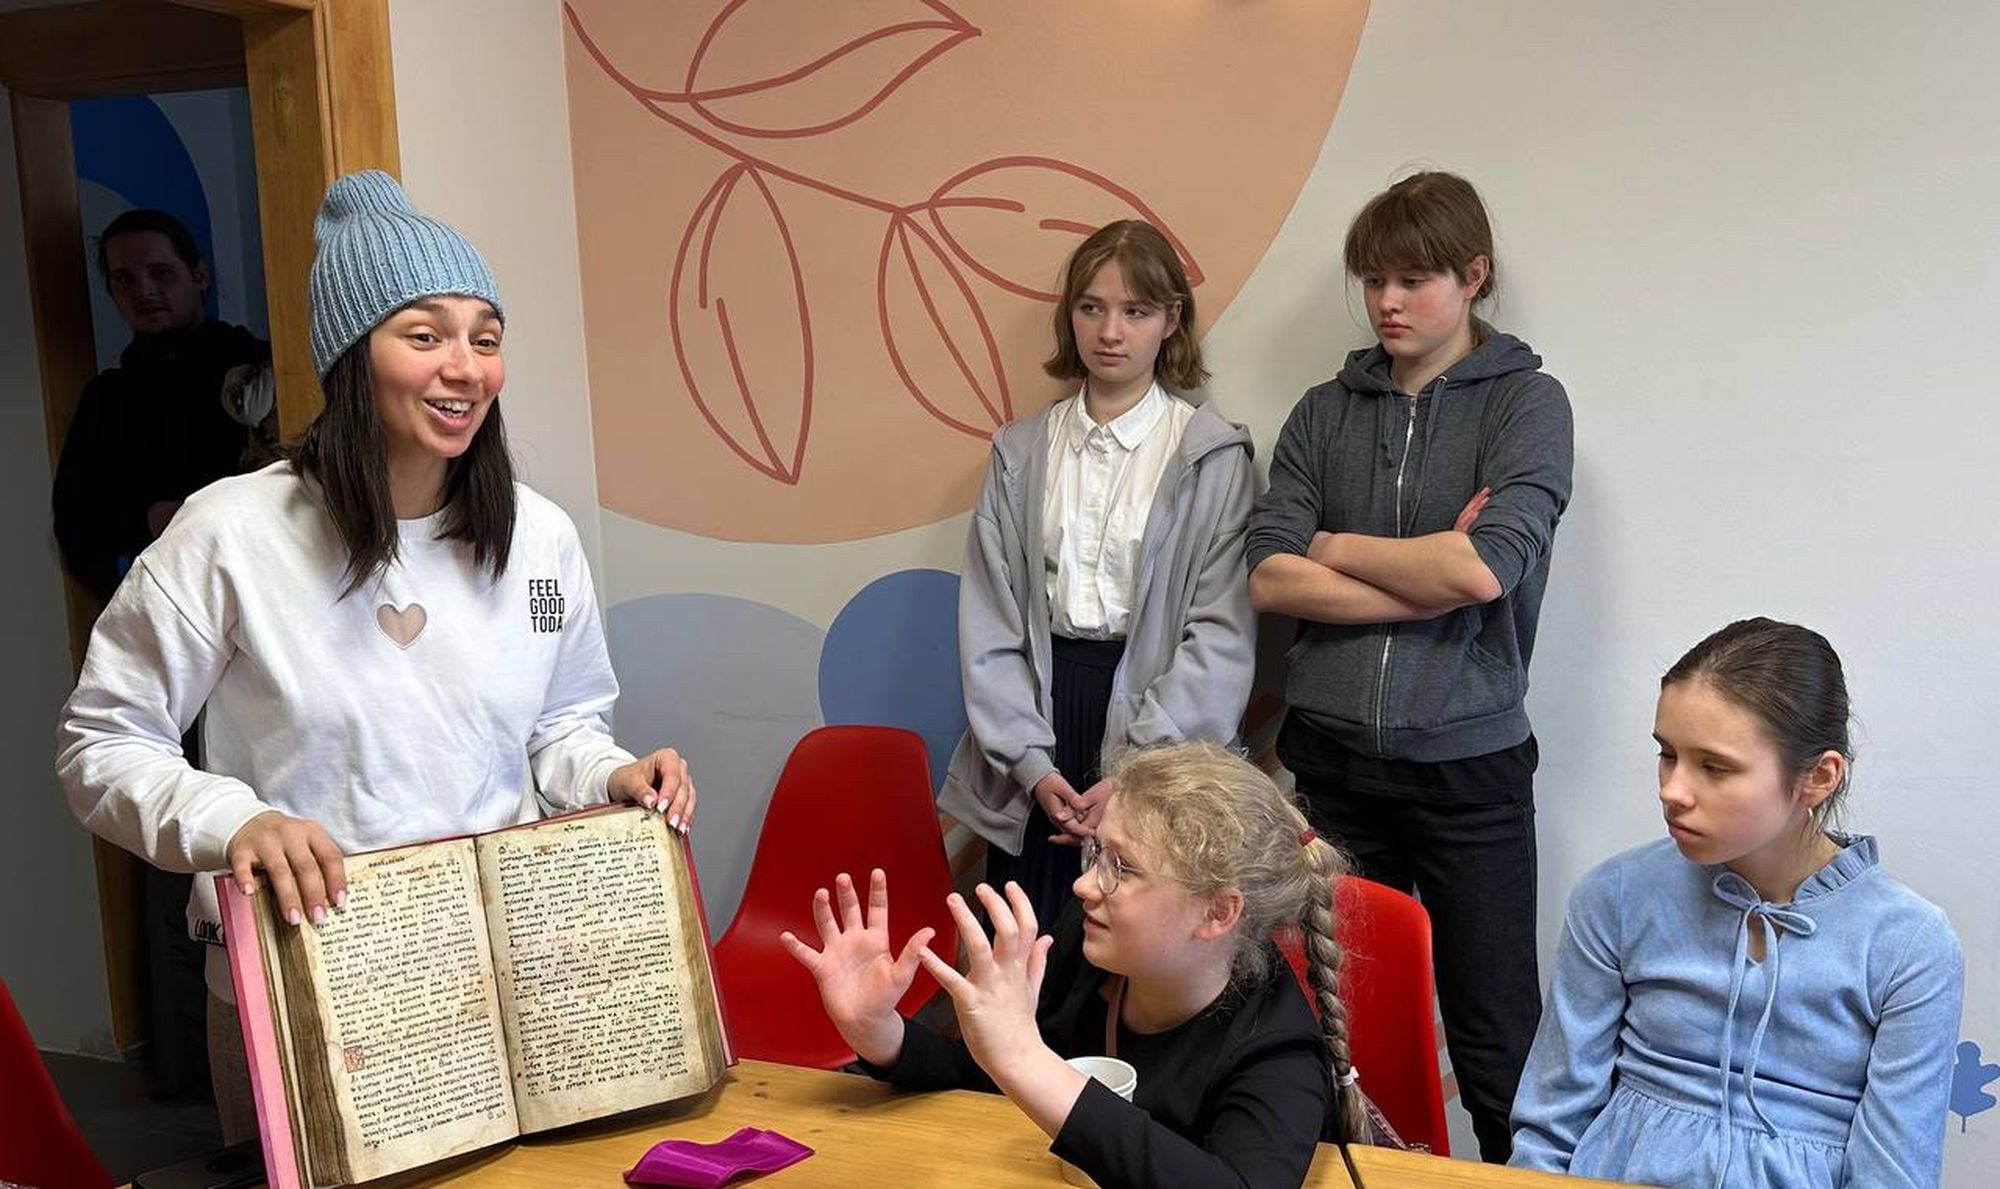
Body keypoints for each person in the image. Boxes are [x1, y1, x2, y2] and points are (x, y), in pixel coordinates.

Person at [56, 171, 696, 1140]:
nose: (465, 368)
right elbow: (101, 743)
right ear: (353, 355)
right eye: (425, 336)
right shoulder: (233, 533)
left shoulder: (539, 539)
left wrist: (612, 773)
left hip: (501, 976)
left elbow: (560, 723)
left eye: (486, 338)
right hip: (304, 977)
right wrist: (237, 820)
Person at [1244, 170, 1573, 1161]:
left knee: (1495, 1038)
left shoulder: (1526, 405)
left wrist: (1335, 545)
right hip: (1333, 768)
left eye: (1413, 279)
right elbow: (1269, 575)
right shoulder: (1323, 412)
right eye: (1373, 280)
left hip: (1470, 771)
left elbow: (1483, 568)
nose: (1387, 302)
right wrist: (1425, 576)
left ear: (1472, 276)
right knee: (1342, 1033)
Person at [787, 742, 1365, 1189]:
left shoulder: (1278, 1050)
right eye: (1098, 853)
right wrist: (882, 1034)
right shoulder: (1091, 949)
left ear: (1217, 912)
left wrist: (1026, 1059)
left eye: (1123, 868)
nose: (1085, 886)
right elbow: (991, 1078)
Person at [1510, 618, 1963, 1188]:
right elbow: (1549, 1127)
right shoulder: (1616, 896)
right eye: (1667, 754)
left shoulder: (1910, 944)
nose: (1672, 790)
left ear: (1819, 776)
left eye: (1714, 767)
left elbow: (1893, 1175)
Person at [942, 220, 1257, 928]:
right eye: (1092, 307)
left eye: (1135, 310)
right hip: (1039, 724)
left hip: (1157, 723)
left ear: (1171, 320)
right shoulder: (1020, 452)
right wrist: (1031, 765)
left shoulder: (1212, 456)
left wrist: (1138, 770)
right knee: (1026, 942)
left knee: (1135, 946)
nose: (1110, 331)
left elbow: (1221, 634)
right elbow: (989, 621)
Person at [52, 209, 274, 603]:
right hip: (171, 600)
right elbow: (75, 529)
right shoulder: (107, 399)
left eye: (161, 273)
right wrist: (148, 519)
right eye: (125, 280)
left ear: (198, 275)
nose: (144, 290)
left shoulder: (265, 368)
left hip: (272, 581)